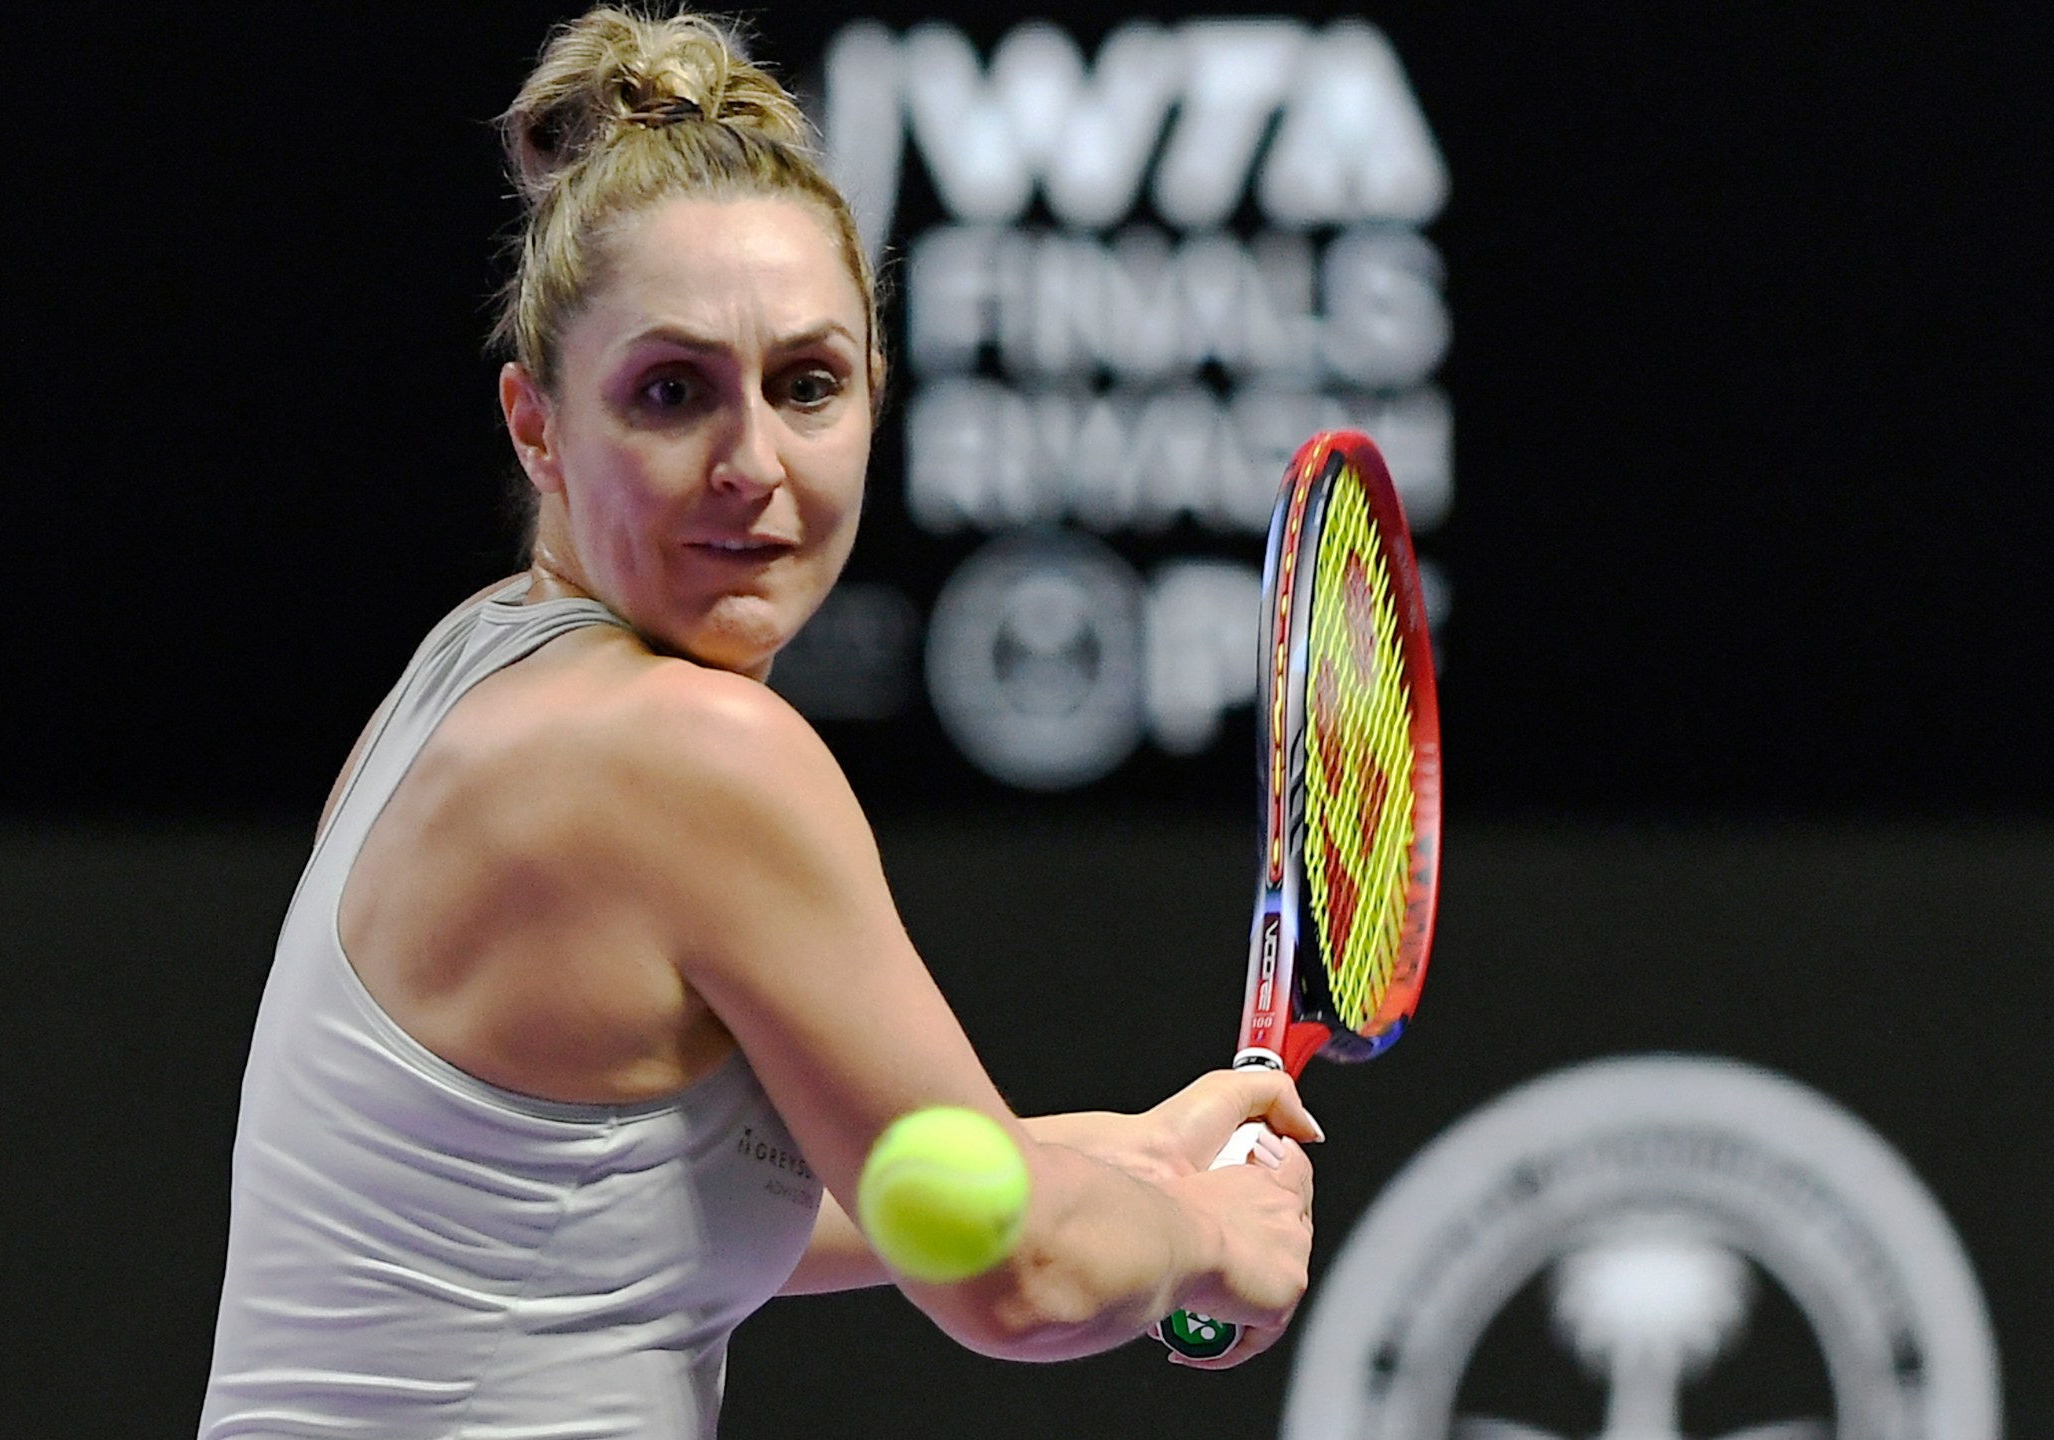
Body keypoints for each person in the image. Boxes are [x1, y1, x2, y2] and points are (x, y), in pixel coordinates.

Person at [198, 9, 1319, 1436]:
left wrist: (1124, 1162)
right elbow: (1016, 1275)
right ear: (537, 423)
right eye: (674, 394)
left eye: (807, 385)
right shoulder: (688, 755)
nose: (754, 464)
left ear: (874, 395)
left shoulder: (471, 670)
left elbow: (640, 1220)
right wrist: (1207, 1249)